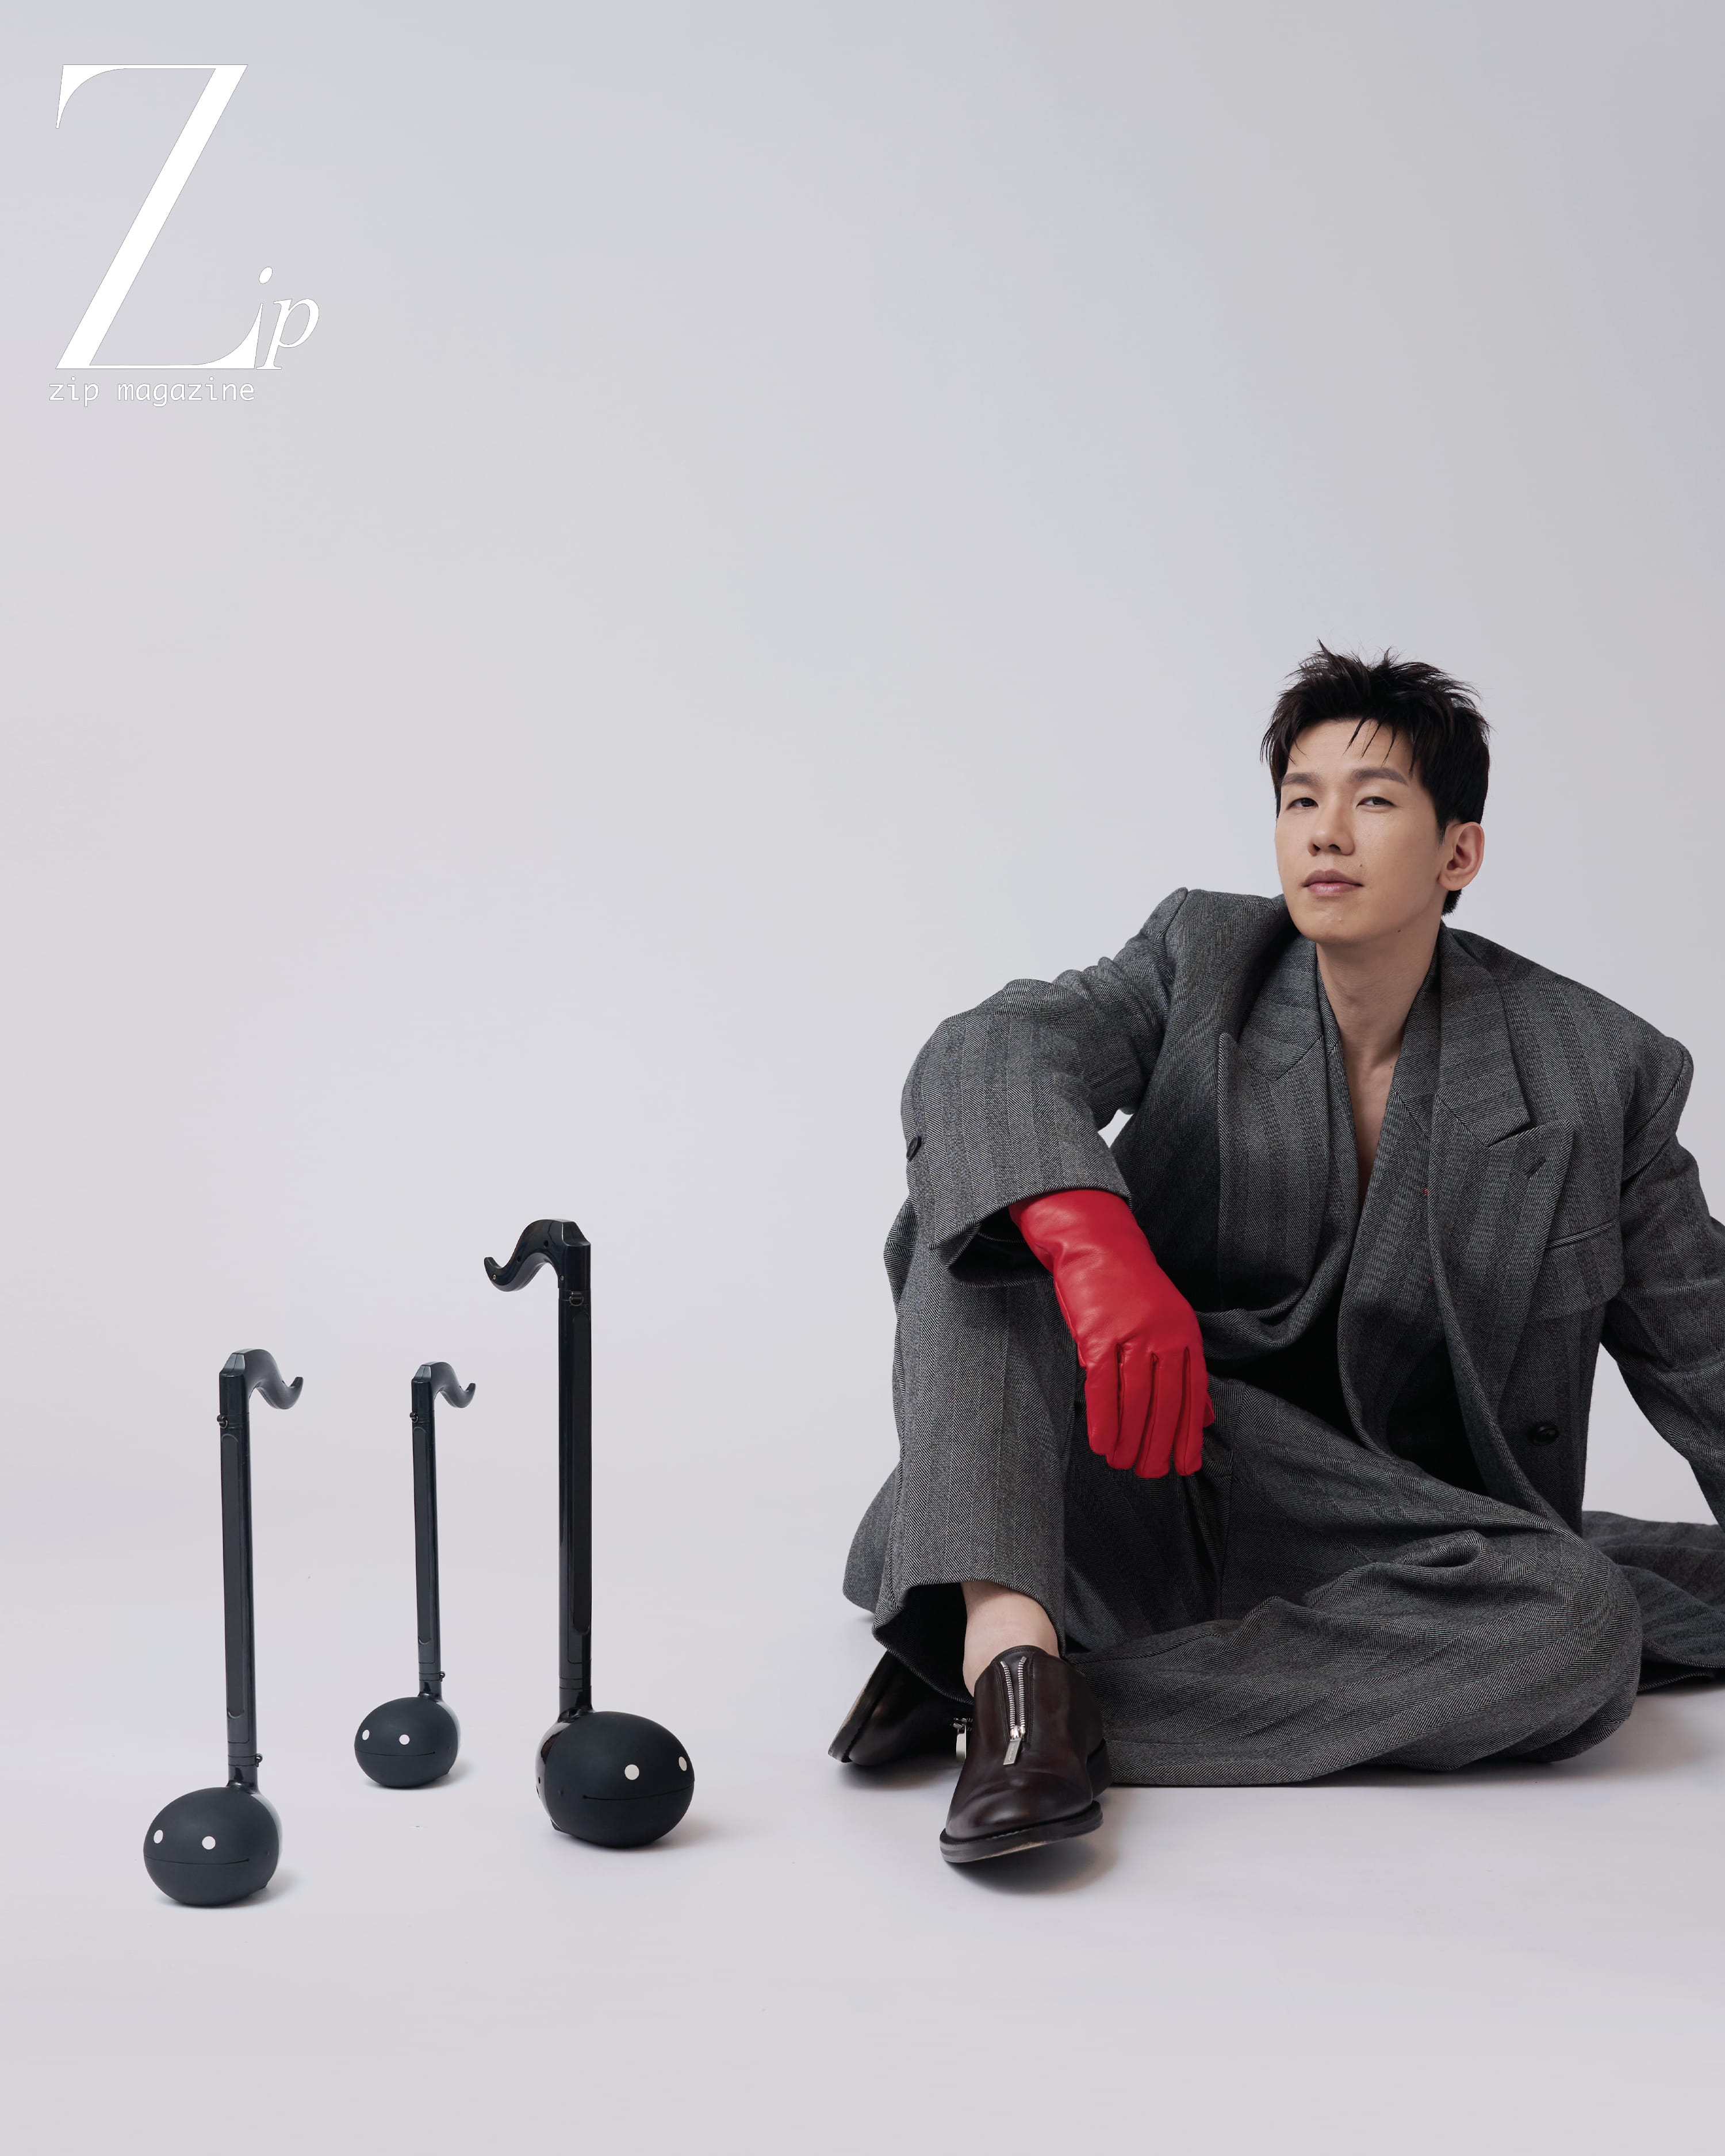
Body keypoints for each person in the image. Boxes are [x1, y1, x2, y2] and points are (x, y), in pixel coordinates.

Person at [831, 647, 1725, 1865]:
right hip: (1129, 1463)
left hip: (1378, 1532)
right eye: (1302, 798)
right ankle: (1008, 1644)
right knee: (978, 1219)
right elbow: (983, 1053)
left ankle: (1004, 1700)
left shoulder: (1597, 1070)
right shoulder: (1202, 959)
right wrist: (1097, 1250)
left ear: (1459, 852)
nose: (1326, 832)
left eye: (1374, 799)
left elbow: (1704, 1353)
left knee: (1581, 1623)